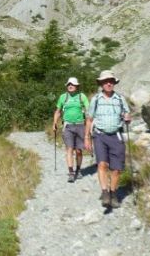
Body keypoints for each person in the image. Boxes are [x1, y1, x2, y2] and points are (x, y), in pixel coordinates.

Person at [84, 70, 131, 209]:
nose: (108, 83)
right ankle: (105, 193)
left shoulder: (120, 99)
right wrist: (87, 137)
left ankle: (113, 193)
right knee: (102, 164)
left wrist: (127, 118)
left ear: (114, 83)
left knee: (116, 168)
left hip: (116, 135)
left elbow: (126, 113)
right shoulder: (96, 99)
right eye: (105, 81)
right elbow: (89, 119)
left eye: (111, 81)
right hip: (100, 135)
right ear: (101, 84)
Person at [52, 77, 89, 183]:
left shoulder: (82, 97)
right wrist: (54, 123)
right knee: (69, 149)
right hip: (67, 126)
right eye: (68, 84)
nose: (70, 85)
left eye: (72, 84)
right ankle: (71, 172)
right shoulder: (63, 97)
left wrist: (90, 123)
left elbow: (88, 109)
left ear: (77, 86)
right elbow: (58, 111)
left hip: (80, 126)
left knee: (78, 150)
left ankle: (78, 170)